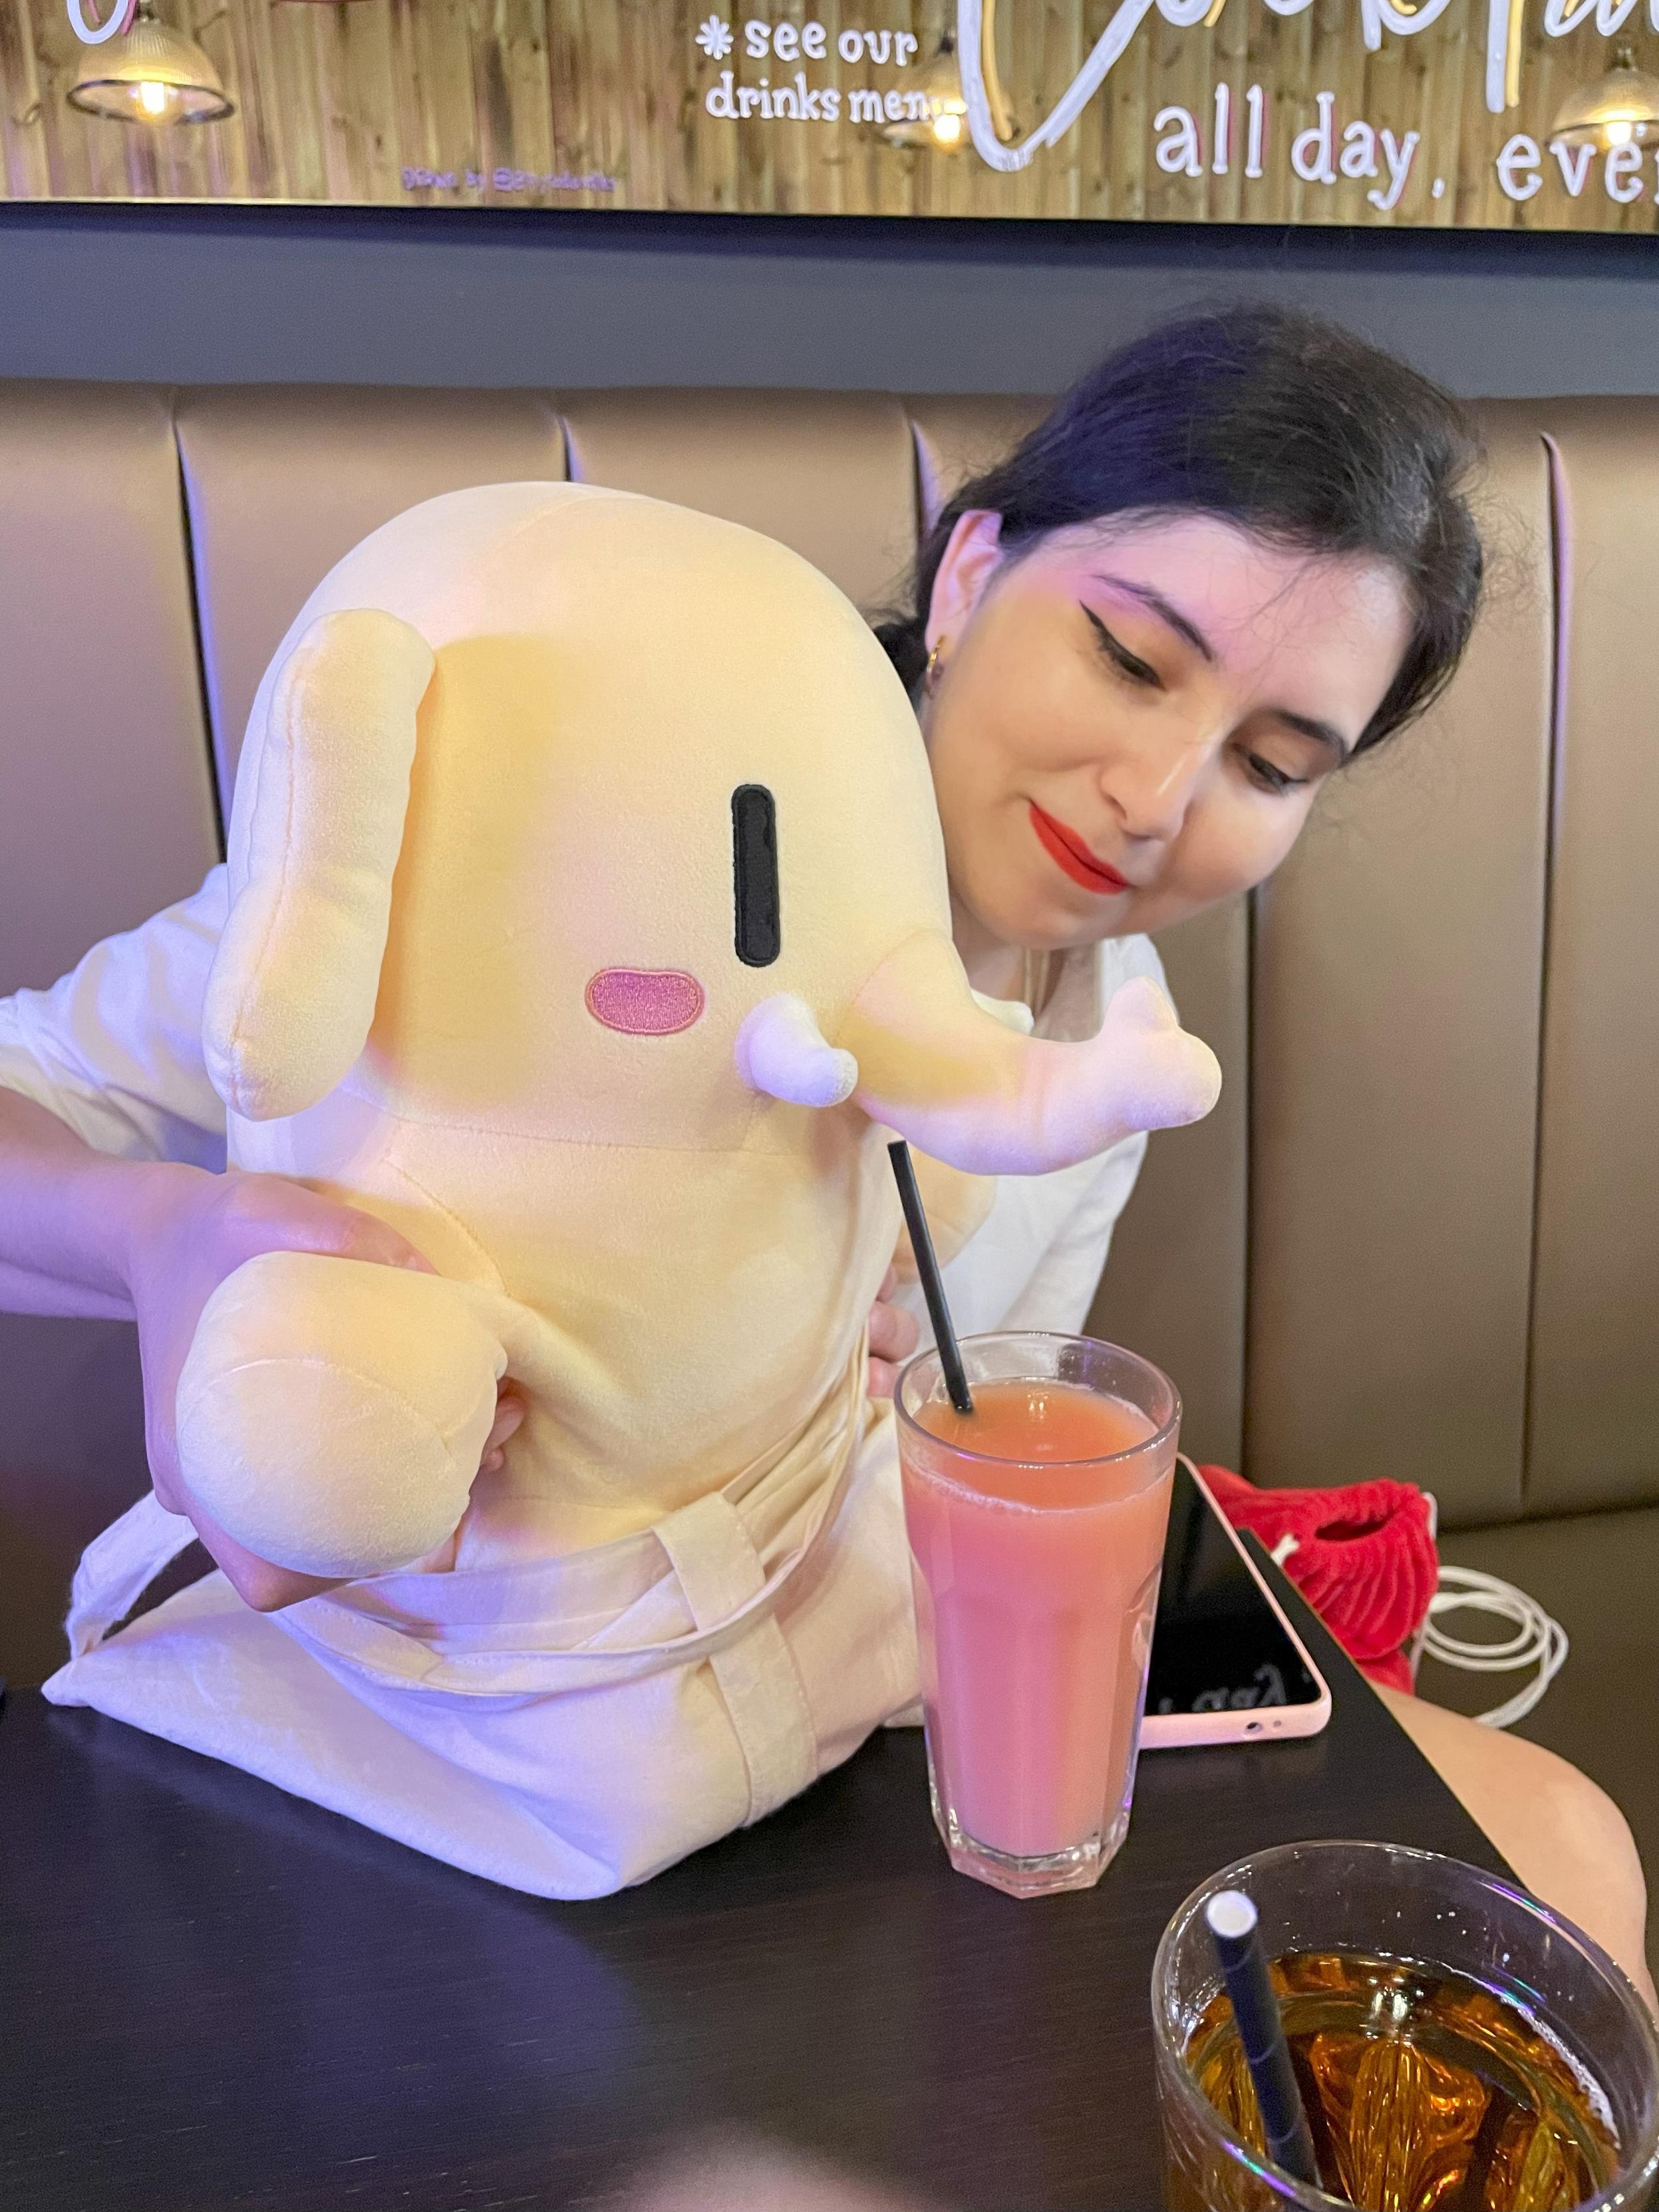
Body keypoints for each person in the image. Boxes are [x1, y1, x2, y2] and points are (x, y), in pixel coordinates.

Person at [0, 307, 1648, 1992]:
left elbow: (961, 1450)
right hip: (419, 1731)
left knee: (1561, 1844)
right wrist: (158, 1239)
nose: (1158, 792)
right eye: (1129, 659)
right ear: (968, 577)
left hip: (797, 1729)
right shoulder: (559, 838)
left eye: (1269, 762)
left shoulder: (1102, 1039)